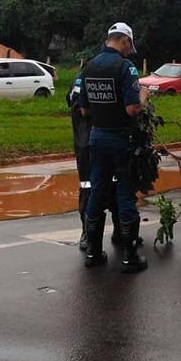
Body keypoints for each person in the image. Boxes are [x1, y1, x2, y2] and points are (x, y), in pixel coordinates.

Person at [78, 22, 150, 273]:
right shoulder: (125, 67)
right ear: (125, 41)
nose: (130, 51)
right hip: (121, 138)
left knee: (97, 192)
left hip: (97, 137)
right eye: (130, 45)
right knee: (125, 193)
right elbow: (133, 109)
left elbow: (84, 109)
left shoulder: (89, 66)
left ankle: (93, 252)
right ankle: (130, 258)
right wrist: (144, 95)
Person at [67, 65, 120, 251]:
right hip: (95, 139)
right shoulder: (93, 78)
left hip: (88, 141)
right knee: (93, 186)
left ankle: (114, 230)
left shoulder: (81, 78)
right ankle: (90, 233)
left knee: (109, 183)